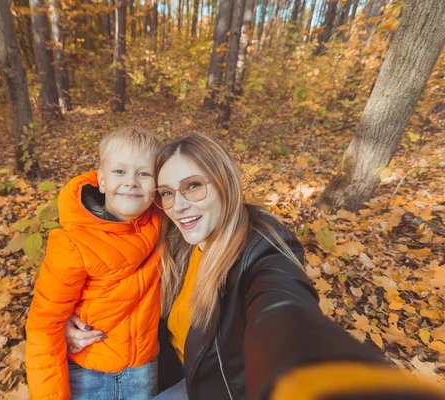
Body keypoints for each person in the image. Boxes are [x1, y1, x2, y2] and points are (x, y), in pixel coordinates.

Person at [64, 132, 445, 400]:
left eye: (194, 186)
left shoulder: (261, 251)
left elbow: (283, 313)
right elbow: (104, 234)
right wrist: (71, 313)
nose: (179, 205)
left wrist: (324, 377)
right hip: (158, 372)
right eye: (166, 193)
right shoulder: (173, 234)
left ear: (225, 183)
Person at [25, 127, 163, 400]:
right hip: (90, 376)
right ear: (100, 180)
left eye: (144, 173)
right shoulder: (73, 243)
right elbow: (44, 325)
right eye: (119, 172)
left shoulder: (163, 223)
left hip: (145, 371)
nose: (131, 182)